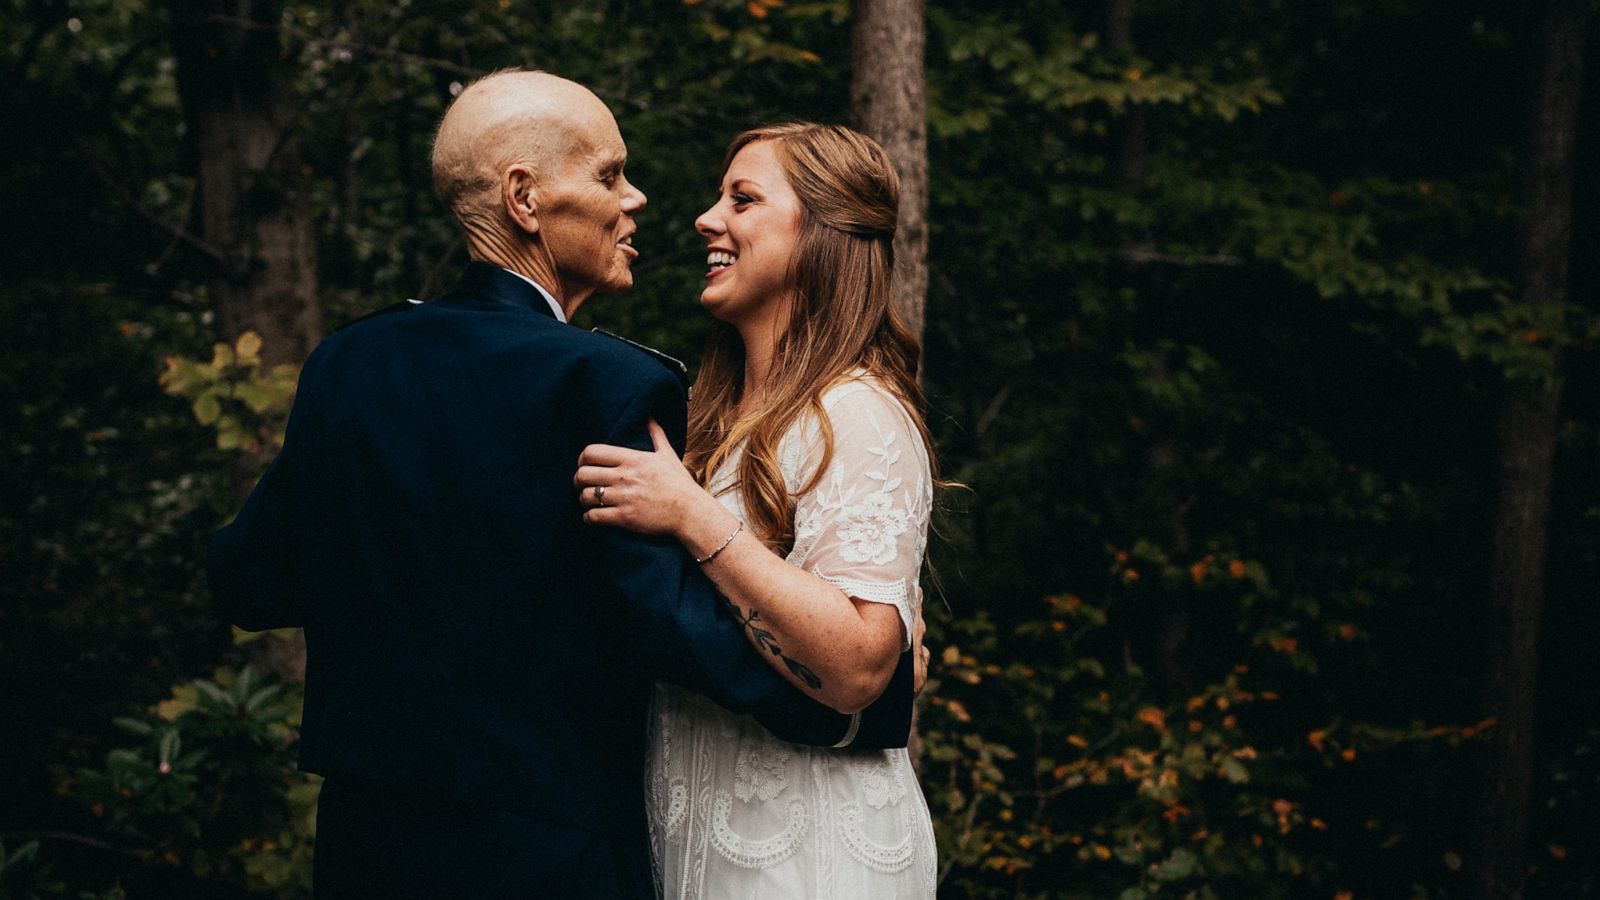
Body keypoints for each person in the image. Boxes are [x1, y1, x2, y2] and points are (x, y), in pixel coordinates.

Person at [206, 71, 917, 899]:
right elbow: (668, 625)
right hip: (548, 850)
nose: (639, 199)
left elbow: (249, 580)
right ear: (524, 198)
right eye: (610, 175)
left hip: (366, 842)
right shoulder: (606, 383)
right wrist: (866, 692)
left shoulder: (348, 363)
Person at [574, 122, 939, 898]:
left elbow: (858, 666)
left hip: (810, 852)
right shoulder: (710, 422)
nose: (708, 219)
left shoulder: (858, 413)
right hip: (694, 835)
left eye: (742, 199)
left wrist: (692, 516)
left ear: (824, 233)